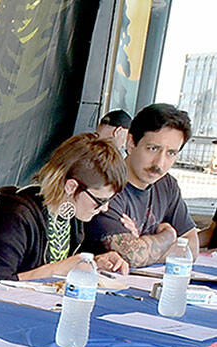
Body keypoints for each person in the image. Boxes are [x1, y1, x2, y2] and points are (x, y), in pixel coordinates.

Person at [0, 133, 130, 282]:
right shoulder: (16, 215)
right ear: (72, 187)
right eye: (100, 201)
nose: (104, 209)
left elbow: (77, 261)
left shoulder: (73, 215)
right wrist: (56, 270)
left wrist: (97, 260)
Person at [84, 103, 199, 267]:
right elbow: (132, 256)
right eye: (153, 148)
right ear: (131, 143)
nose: (159, 163)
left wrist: (146, 246)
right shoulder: (106, 184)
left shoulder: (167, 185)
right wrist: (168, 237)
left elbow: (192, 248)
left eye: (171, 153)